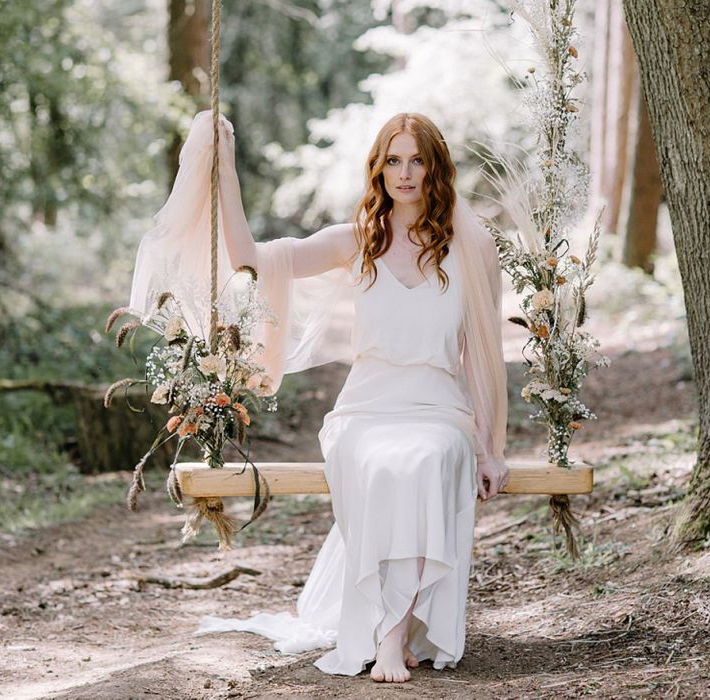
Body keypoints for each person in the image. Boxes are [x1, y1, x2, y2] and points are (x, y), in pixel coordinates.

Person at [129, 110, 508, 683]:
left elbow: (483, 355)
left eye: (417, 160)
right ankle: (390, 637)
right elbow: (251, 260)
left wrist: (490, 447)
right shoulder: (357, 241)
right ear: (377, 170)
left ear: (436, 169)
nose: (404, 174)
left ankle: (391, 634)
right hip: (366, 410)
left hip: (438, 410)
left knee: (427, 458)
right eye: (392, 161)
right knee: (383, 462)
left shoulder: (471, 249)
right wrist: (226, 171)